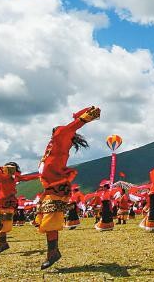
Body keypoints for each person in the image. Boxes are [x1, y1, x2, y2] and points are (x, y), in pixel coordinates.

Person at [36, 106, 100, 269]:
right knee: (46, 221)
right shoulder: (52, 148)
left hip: (56, 187)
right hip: (51, 188)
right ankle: (53, 252)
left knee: (49, 222)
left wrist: (83, 119)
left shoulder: (59, 140)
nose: (54, 132)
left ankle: (53, 253)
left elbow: (68, 129)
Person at [0, 162, 40, 253]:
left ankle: (3, 243)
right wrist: (40, 175)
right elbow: (27, 178)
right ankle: (2, 243)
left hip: (7, 204)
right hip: (3, 203)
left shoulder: (6, 176)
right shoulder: (13, 177)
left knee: (2, 224)